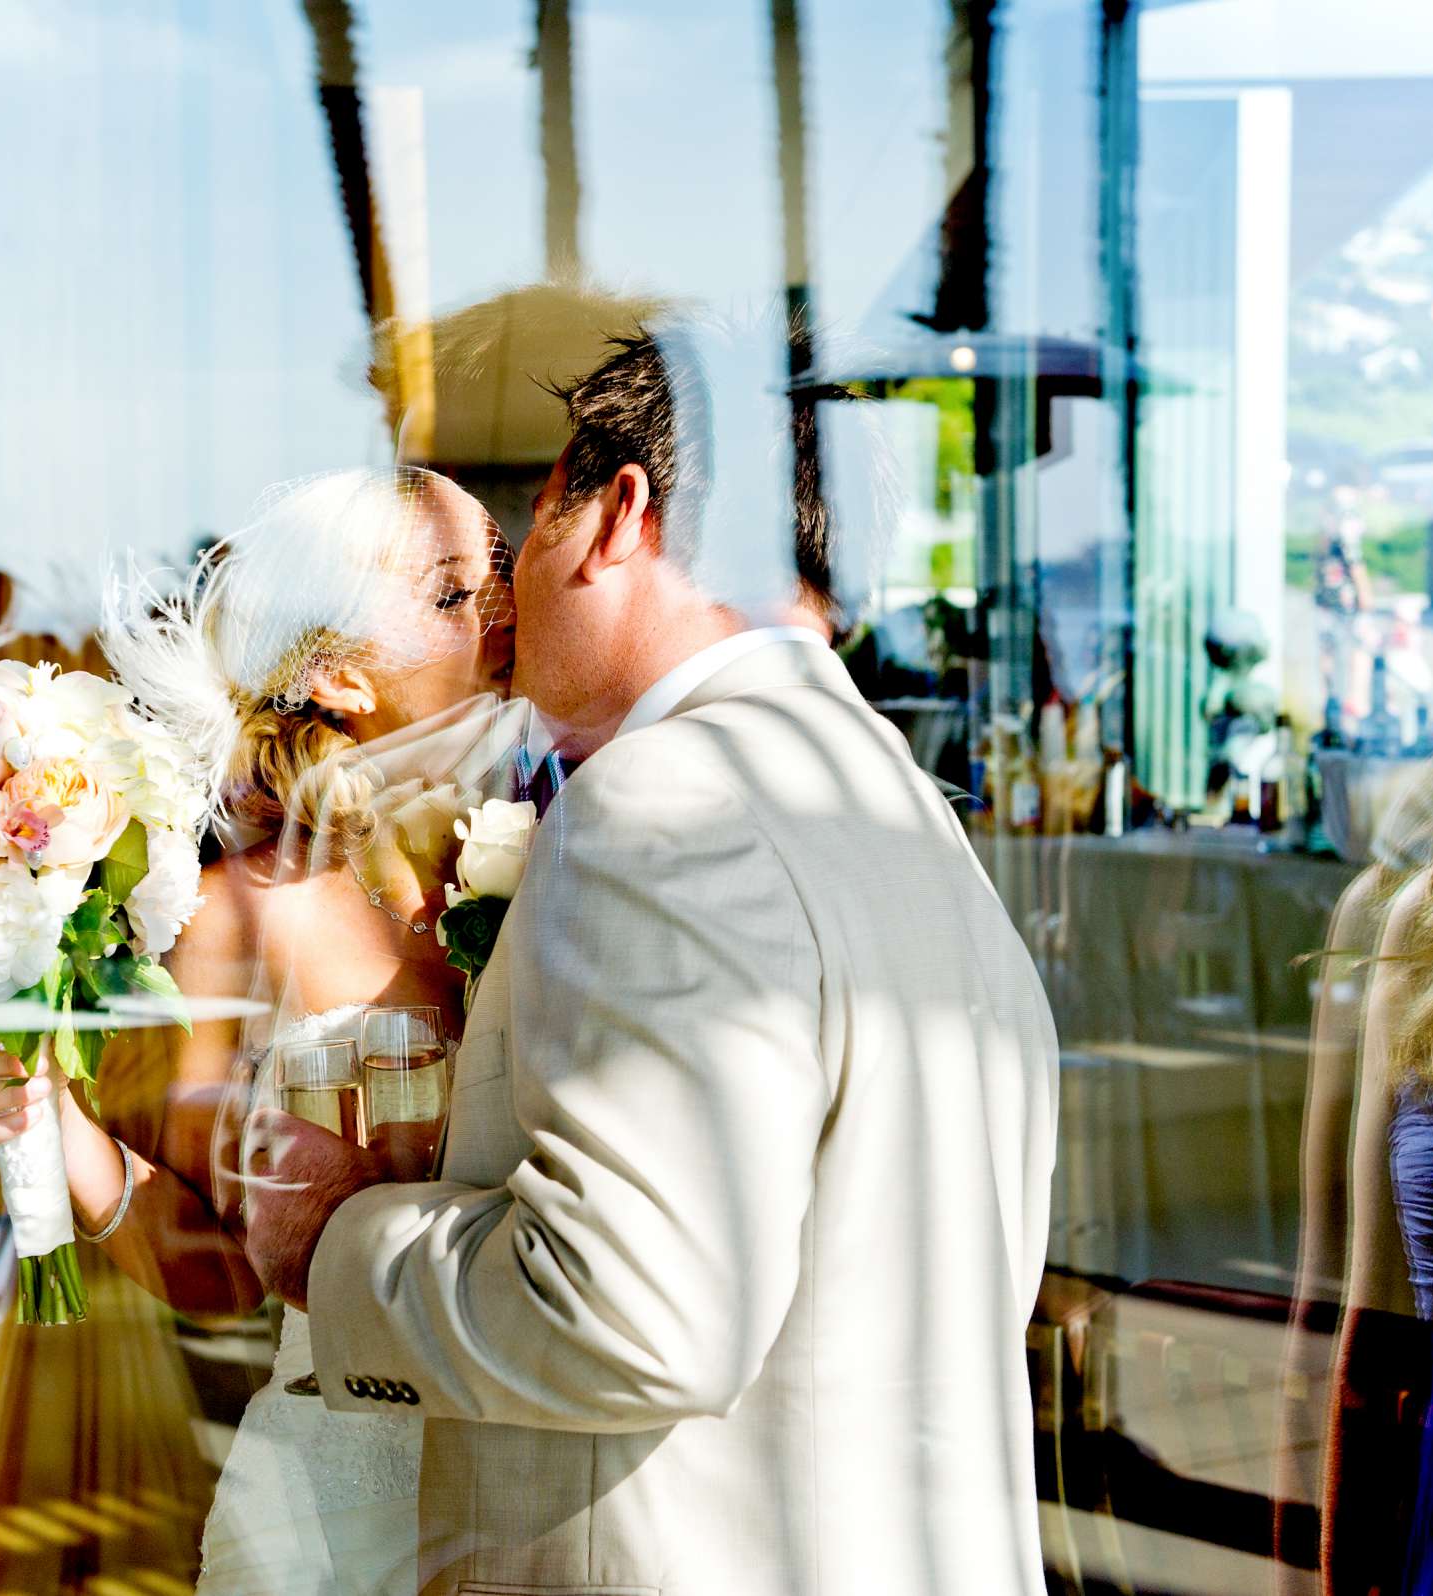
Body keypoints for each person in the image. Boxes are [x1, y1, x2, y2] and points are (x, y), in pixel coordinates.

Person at [237, 320, 1061, 1595]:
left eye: (543, 519)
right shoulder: (903, 810)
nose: (515, 593)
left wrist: (336, 1247)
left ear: (620, 512)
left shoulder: (663, 805)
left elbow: (627, 1315)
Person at [0, 464, 521, 1595]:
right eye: (452, 594)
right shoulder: (241, 913)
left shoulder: (566, 847)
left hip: (548, 1494)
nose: (501, 605)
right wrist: (48, 1113)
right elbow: (215, 1274)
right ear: (342, 674)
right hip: (340, 1516)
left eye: (501, 566)